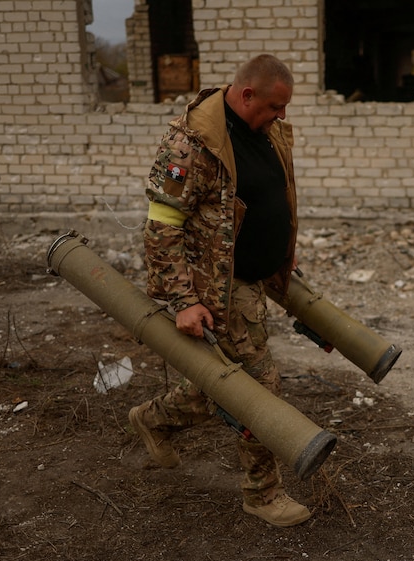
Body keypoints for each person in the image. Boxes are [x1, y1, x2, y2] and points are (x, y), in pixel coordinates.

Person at [128, 54, 310, 528]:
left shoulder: (261, 130)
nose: (283, 116)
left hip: (254, 281)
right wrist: (184, 301)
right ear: (246, 94)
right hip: (219, 292)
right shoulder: (191, 144)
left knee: (220, 386)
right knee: (258, 391)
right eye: (276, 105)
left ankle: (154, 419)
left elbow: (269, 197)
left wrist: (280, 255)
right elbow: (162, 226)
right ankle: (263, 494)